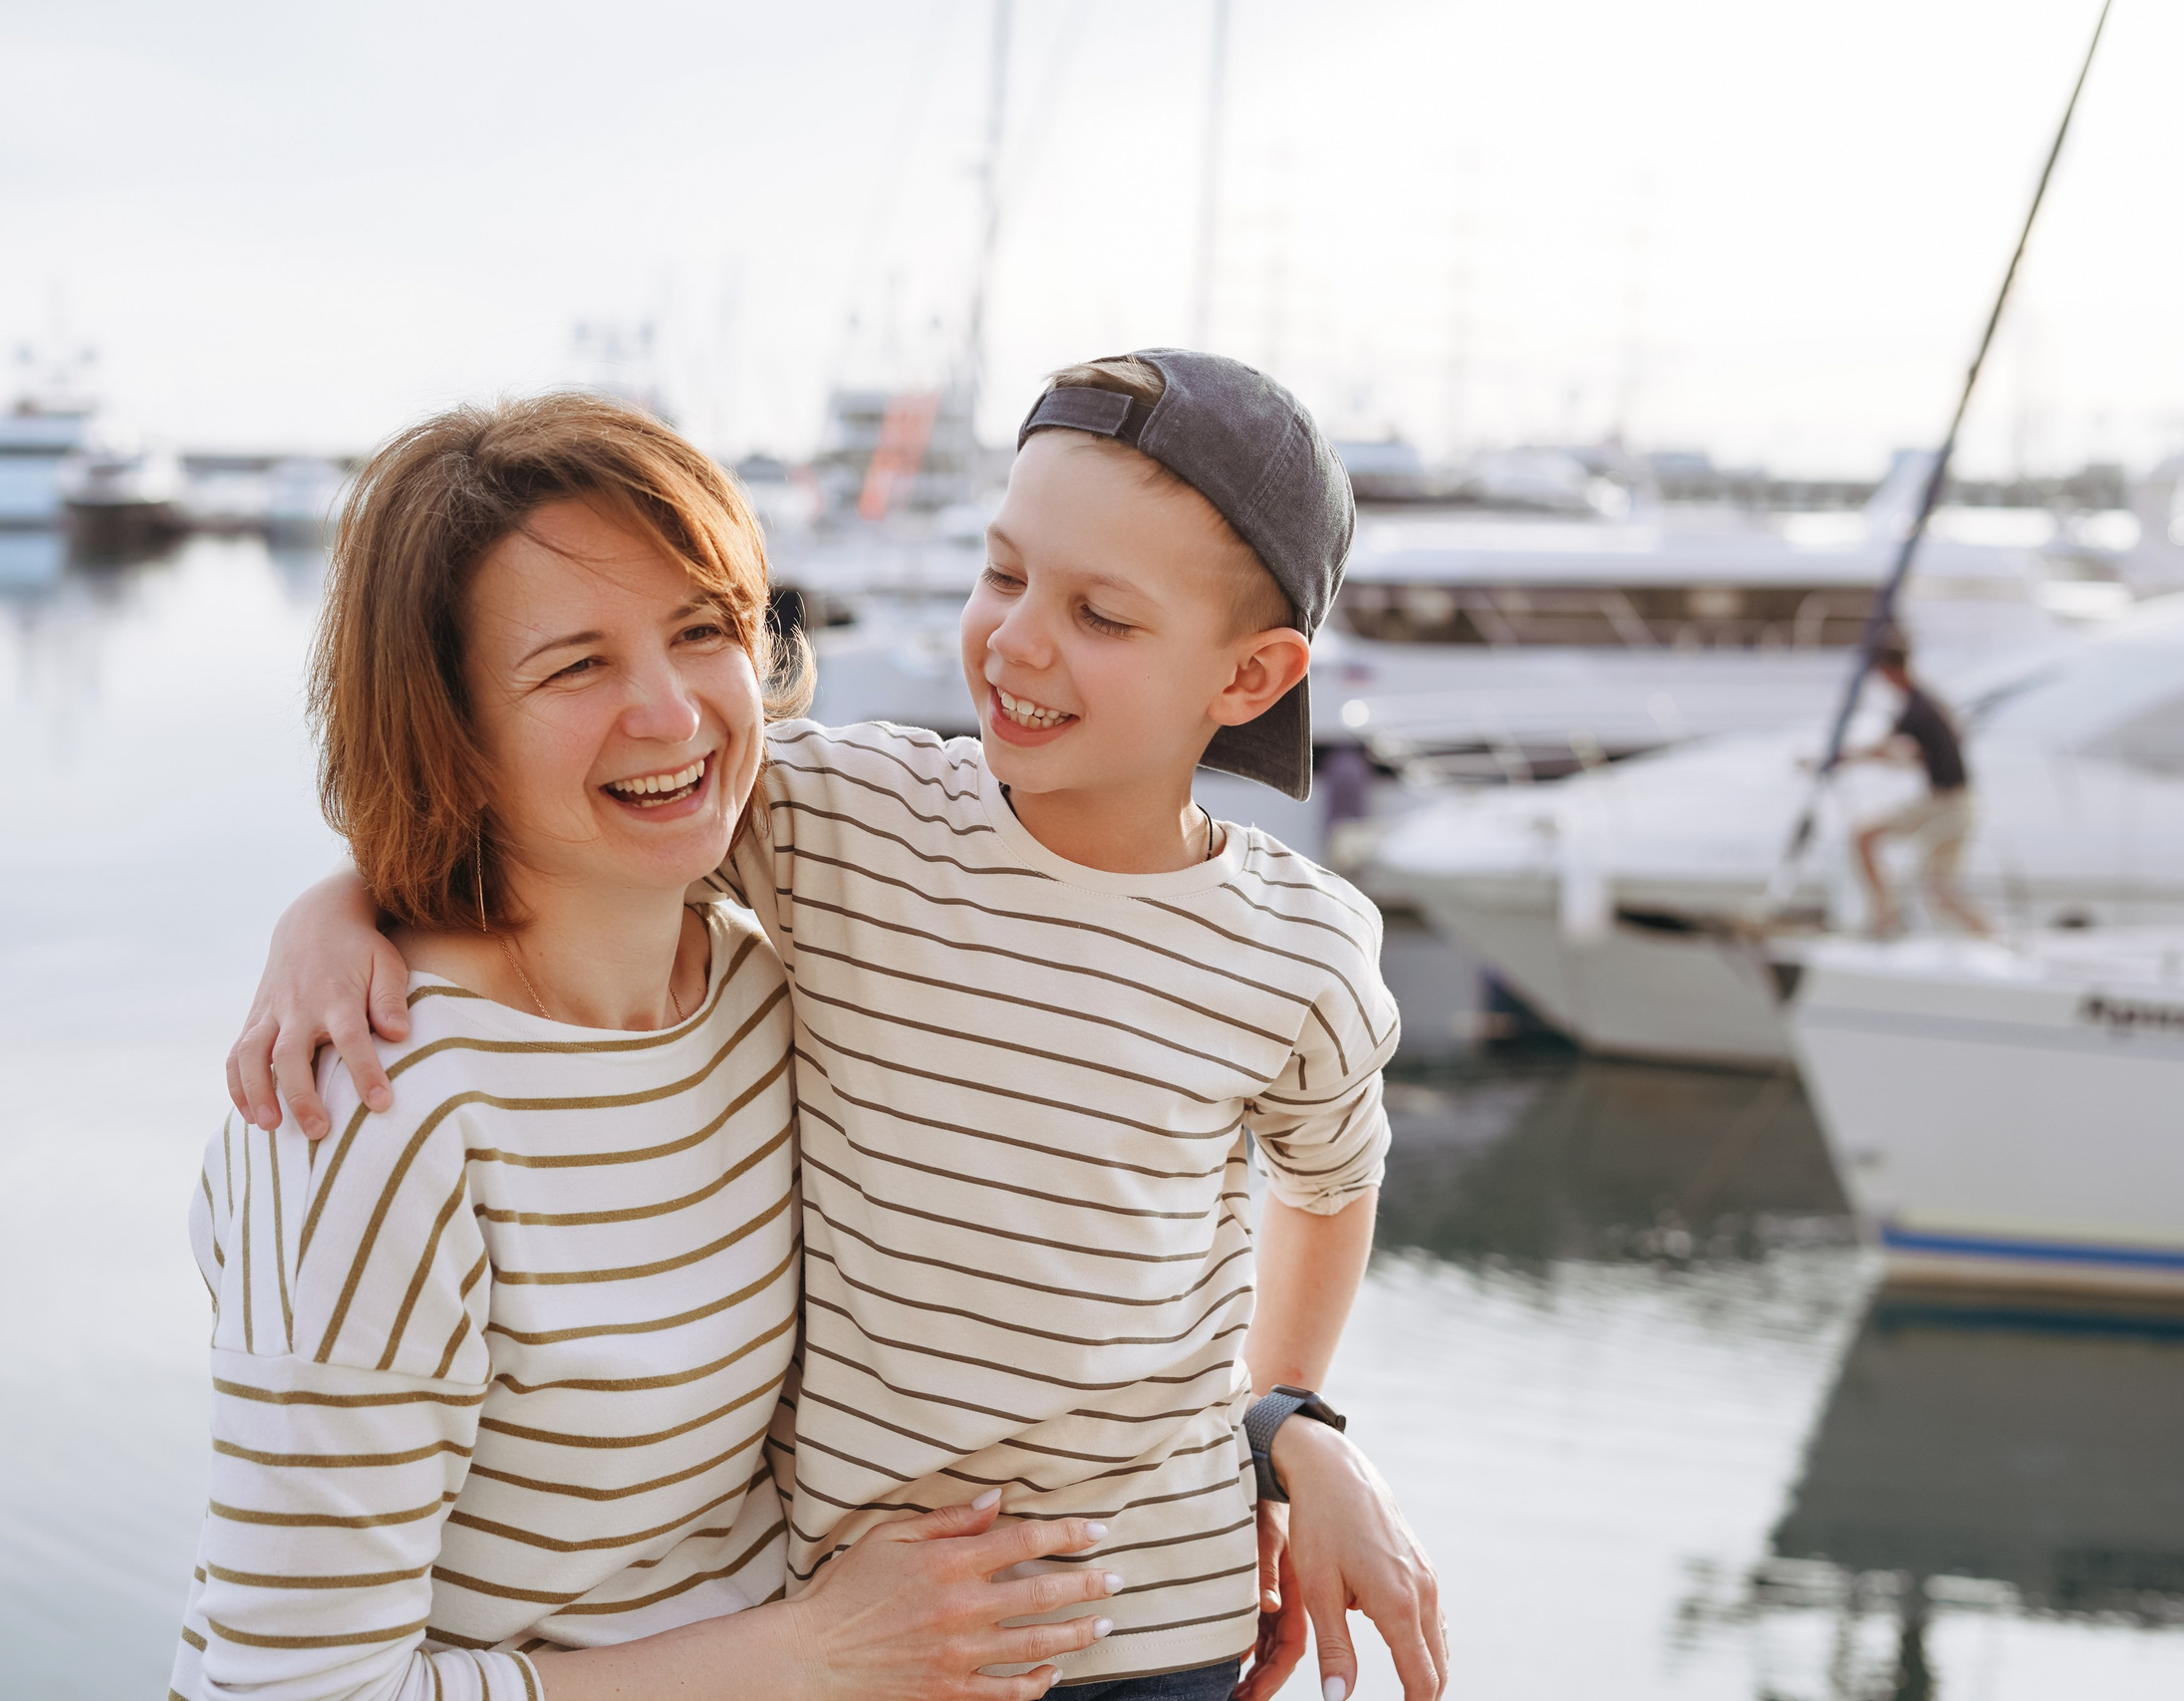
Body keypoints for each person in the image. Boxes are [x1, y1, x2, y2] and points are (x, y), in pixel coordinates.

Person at [231, 354, 1447, 1701]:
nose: (1021, 639)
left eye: (1102, 613)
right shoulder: (849, 822)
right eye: (1003, 574)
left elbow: (1336, 1177)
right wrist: (338, 906)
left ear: (1256, 673)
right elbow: (552, 802)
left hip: (1154, 1608)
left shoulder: (1301, 942)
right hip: (869, 1615)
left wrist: (1284, 1419)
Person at [175, 394, 1125, 1701]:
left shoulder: (763, 979)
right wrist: (819, 1648)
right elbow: (292, 1695)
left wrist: (1290, 1427)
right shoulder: (377, 1122)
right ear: (449, 724)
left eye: (701, 631)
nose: (674, 715)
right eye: (575, 664)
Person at [1841, 639, 1991, 940]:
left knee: (1865, 838)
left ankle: (1886, 915)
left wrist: (1840, 758)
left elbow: (1889, 750)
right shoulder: (1928, 701)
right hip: (1951, 801)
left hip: (1948, 805)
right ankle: (1991, 937)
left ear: (1887, 671)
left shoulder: (1916, 709)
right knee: (1939, 889)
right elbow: (1916, 754)